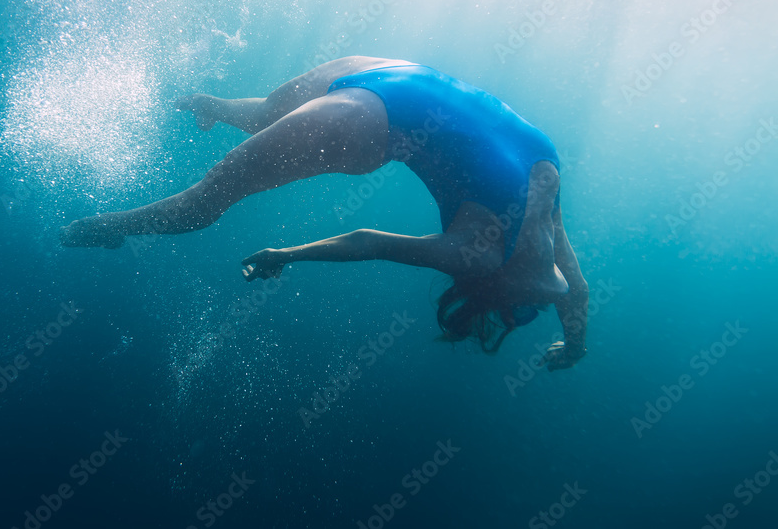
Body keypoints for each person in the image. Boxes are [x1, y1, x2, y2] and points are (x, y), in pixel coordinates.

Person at [60, 56, 589, 369]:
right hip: (368, 125)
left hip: (394, 71)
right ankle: (104, 227)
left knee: (268, 115)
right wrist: (284, 254)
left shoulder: (548, 192)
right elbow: (366, 242)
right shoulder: (477, 260)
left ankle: (211, 106)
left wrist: (574, 345)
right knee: (207, 201)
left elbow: (577, 291)